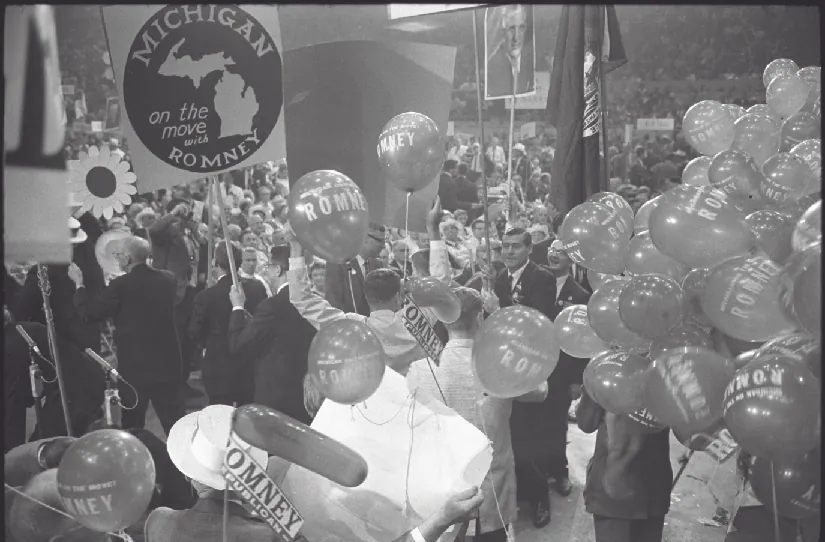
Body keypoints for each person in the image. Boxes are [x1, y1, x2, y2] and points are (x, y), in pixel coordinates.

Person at [407, 287, 548, 541]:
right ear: (481, 317)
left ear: (441, 318)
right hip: (494, 488)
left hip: (443, 492)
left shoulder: (418, 370)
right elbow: (540, 390)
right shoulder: (501, 363)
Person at [289, 200, 450, 376]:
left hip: (375, 396)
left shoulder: (357, 327)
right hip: (418, 392)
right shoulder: (418, 317)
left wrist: (296, 248)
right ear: (399, 297)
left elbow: (302, 300)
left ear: (367, 296)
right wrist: (434, 230)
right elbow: (440, 285)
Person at [480, 227, 557, 528]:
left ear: (528, 249)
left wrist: (499, 308)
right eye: (504, 247)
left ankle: (541, 499)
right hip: (502, 367)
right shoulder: (500, 278)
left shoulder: (543, 278)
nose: (508, 252)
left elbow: (537, 322)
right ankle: (520, 494)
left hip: (530, 364)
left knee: (526, 442)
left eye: (514, 247)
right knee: (507, 441)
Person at [68, 237, 185, 435]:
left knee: (133, 427)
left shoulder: (120, 286)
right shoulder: (168, 279)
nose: (117, 259)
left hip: (135, 369)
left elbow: (90, 313)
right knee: (176, 426)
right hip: (168, 365)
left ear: (127, 258)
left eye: (119, 254)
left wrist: (79, 285)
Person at [228, 246, 317, 424]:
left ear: (277, 270)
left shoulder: (271, 306)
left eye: (268, 266)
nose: (266, 271)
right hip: (309, 394)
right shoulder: (314, 300)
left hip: (278, 397)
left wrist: (237, 307)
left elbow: (238, 345)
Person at [576, 387, 672, 542]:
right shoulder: (669, 373)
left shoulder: (607, 370)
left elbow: (586, 423)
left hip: (613, 484)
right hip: (651, 484)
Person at [4, 308, 105, 451]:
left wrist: (11, 454)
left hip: (74, 391)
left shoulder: (10, 346)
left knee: (41, 449)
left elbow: (14, 406)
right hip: (87, 380)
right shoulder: (23, 329)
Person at [189, 243, 267, 407]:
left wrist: (205, 345)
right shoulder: (256, 288)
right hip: (248, 365)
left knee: (220, 418)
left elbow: (194, 332)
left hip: (218, 366)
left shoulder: (206, 296)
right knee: (247, 415)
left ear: (215, 264)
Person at [149, 200, 200, 381]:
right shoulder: (165, 235)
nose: (182, 217)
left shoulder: (187, 233)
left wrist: (192, 225)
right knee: (175, 341)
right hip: (173, 294)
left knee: (187, 340)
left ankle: (184, 381)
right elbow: (154, 230)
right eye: (180, 214)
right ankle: (174, 384)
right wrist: (173, 213)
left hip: (190, 291)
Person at [324, 223, 386, 317]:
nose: (383, 246)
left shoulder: (377, 264)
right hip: (349, 325)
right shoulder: (339, 262)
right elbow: (334, 301)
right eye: (380, 241)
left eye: (384, 241)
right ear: (365, 239)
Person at [486, 5, 534, 98]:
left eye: (521, 28)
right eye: (511, 29)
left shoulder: (533, 63)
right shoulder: (492, 67)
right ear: (502, 32)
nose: (516, 37)